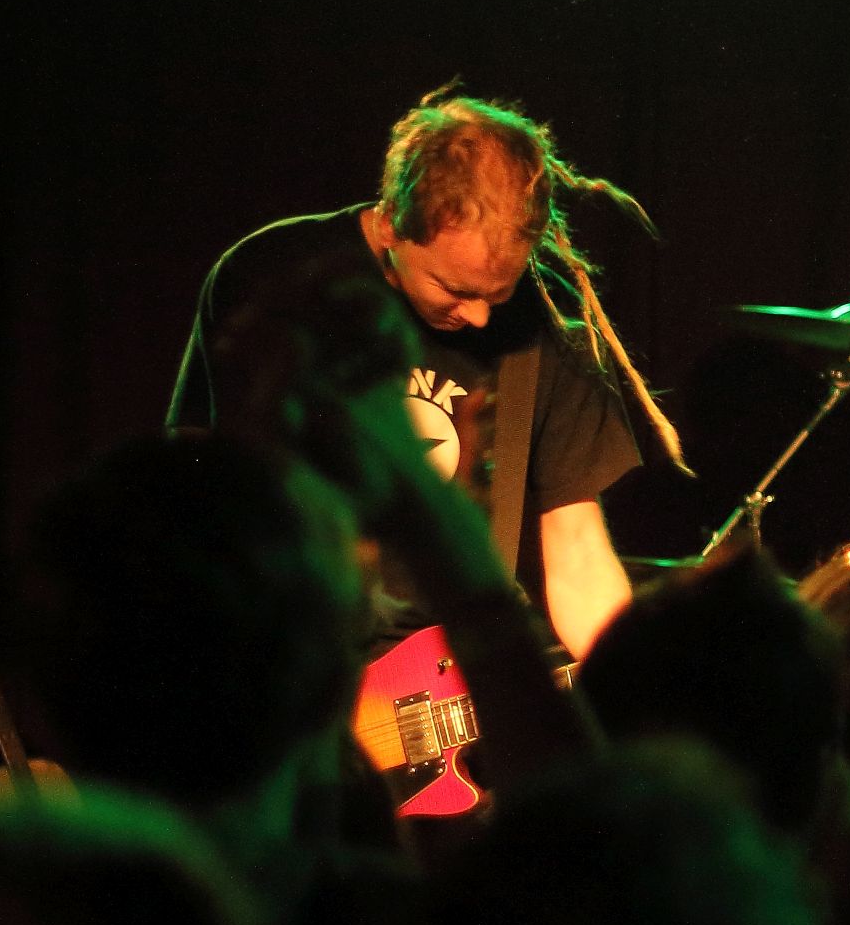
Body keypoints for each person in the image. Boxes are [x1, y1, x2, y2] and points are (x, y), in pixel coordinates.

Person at [167, 84, 674, 659]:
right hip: (306, 658)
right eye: (455, 290)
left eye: (499, 292)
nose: (480, 317)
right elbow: (206, 496)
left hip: (463, 671)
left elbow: (577, 552)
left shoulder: (549, 322)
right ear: (390, 225)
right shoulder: (275, 278)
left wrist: (627, 674)